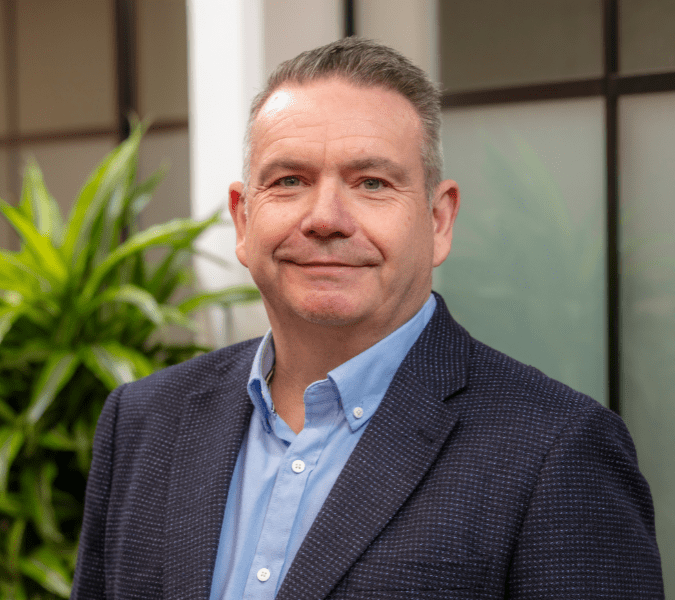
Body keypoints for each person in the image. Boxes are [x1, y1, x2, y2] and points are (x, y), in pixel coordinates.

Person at [72, 38, 664, 599]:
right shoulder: (144, 423)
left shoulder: (557, 451)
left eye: (372, 183)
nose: (325, 217)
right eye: (290, 181)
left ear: (438, 221)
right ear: (243, 219)